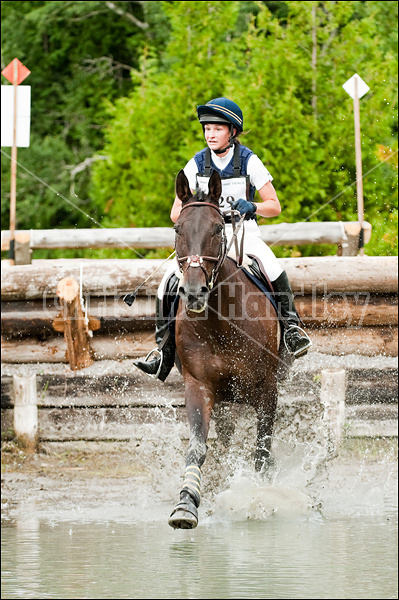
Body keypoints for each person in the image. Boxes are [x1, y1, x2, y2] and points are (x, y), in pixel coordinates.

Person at [134, 97, 311, 381]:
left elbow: (274, 206)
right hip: (204, 238)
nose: (210, 135)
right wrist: (198, 213)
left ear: (232, 132)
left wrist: (253, 206)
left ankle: (291, 329)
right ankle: (163, 350)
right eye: (207, 129)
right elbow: (174, 213)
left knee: (271, 264)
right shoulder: (196, 164)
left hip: (242, 232)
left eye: (217, 129)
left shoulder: (248, 160)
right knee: (167, 279)